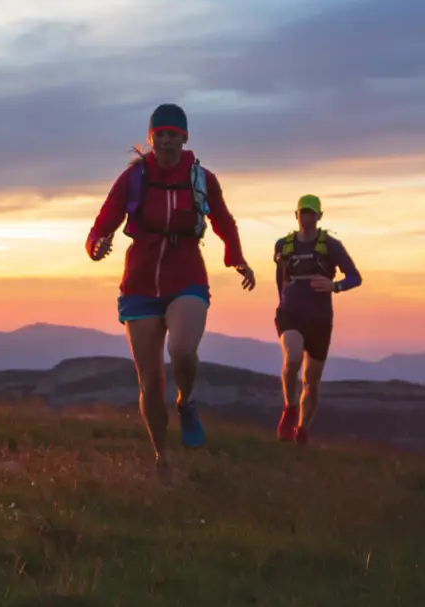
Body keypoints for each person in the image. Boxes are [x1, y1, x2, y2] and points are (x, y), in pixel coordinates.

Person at [87, 103, 255, 478]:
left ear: (184, 138)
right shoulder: (132, 179)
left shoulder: (201, 179)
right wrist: (96, 244)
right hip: (140, 284)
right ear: (151, 138)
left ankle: (187, 400)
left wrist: (237, 259)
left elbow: (223, 220)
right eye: (159, 133)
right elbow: (103, 222)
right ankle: (161, 456)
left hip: (187, 277)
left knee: (181, 350)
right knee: (149, 381)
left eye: (172, 133)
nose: (165, 140)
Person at [271, 194, 361, 445]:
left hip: (320, 319)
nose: (307, 217)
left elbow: (355, 277)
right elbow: (281, 277)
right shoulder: (282, 245)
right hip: (290, 313)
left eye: (312, 212)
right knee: (293, 357)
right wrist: (283, 301)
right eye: (304, 212)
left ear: (320, 216)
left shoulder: (332, 246)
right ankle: (289, 409)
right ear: (296, 214)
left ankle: (302, 428)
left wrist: (335, 286)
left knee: (311, 380)